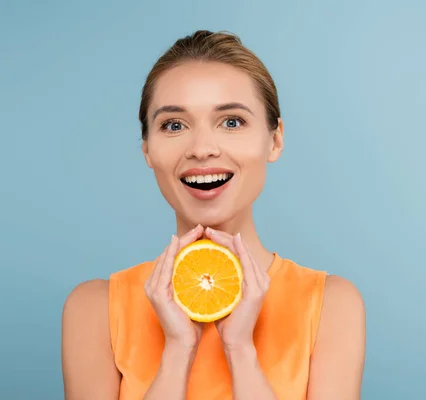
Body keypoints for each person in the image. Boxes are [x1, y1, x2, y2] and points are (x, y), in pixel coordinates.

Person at [61, 29, 366, 399]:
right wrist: (177, 352)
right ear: (147, 149)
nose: (202, 149)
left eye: (232, 121)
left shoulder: (332, 305)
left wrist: (241, 351)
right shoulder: (93, 309)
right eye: (174, 125)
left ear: (275, 139)